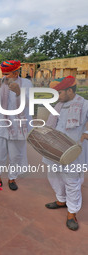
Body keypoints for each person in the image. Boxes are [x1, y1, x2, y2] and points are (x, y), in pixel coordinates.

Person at [44, 76, 88, 231]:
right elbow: (51, 125)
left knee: (72, 182)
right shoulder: (58, 106)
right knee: (53, 176)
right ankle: (61, 200)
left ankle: (72, 212)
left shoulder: (84, 105)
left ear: (70, 90)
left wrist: (86, 133)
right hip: (55, 148)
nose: (57, 96)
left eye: (60, 93)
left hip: (73, 151)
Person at [0, 60, 33, 190]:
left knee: (15, 155)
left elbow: (29, 104)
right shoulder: (0, 83)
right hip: (1, 124)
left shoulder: (26, 83)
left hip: (18, 126)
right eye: (4, 74)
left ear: (16, 72)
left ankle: (12, 178)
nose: (5, 76)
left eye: (8, 74)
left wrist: (19, 93)